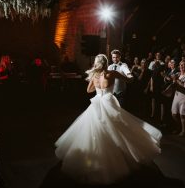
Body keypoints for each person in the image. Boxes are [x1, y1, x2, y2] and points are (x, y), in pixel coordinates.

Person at [55, 54, 162, 185]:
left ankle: (95, 160)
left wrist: (96, 85)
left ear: (97, 63)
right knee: (117, 129)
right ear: (106, 63)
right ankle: (118, 157)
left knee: (94, 131)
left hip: (97, 103)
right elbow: (130, 80)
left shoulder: (95, 75)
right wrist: (130, 74)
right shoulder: (112, 73)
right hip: (108, 102)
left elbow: (89, 90)